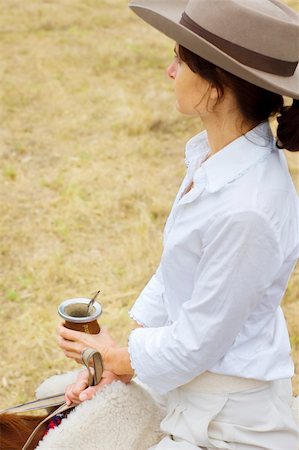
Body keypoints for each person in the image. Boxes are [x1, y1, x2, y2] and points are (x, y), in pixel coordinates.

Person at [57, 1, 299, 448]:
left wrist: (117, 356)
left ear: (217, 87)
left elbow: (195, 344)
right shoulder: (213, 159)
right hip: (187, 383)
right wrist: (116, 362)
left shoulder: (249, 206)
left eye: (180, 59)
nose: (170, 72)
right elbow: (179, 273)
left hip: (226, 419)